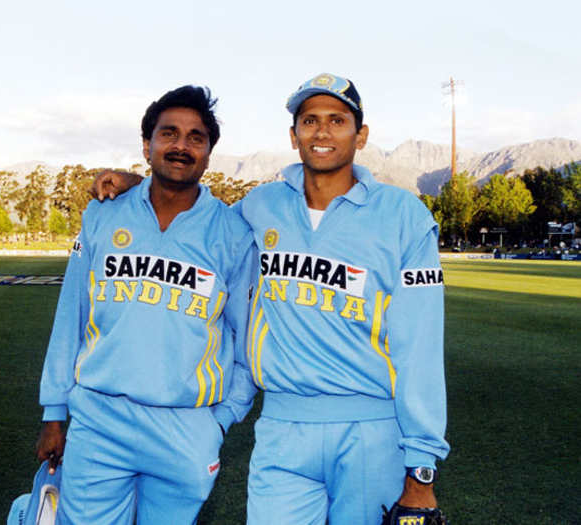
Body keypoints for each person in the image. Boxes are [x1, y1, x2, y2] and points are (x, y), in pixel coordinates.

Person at [92, 73, 449, 525]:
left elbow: (421, 347)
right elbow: (199, 216)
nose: (322, 132)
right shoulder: (261, 207)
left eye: (337, 120)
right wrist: (138, 183)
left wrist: (421, 468)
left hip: (371, 431)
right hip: (281, 427)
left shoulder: (404, 216)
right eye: (309, 120)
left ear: (361, 136)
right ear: (293, 135)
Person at [37, 85, 256, 524]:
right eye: (168, 133)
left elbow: (247, 338)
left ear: (209, 153)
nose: (181, 146)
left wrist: (220, 420)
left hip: (186, 426)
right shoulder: (103, 214)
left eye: (196, 137)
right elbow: (71, 319)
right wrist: (55, 413)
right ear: (147, 145)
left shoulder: (233, 233)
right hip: (100, 420)